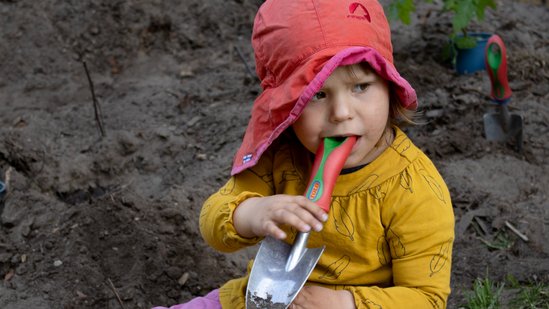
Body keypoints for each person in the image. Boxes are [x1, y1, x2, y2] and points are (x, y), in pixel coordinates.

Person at [153, 0, 454, 308]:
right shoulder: (280, 155)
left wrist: (341, 303)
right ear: (289, 106)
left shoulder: (415, 188)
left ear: (389, 87)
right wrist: (254, 213)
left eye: (360, 87)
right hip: (262, 300)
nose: (341, 113)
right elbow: (213, 221)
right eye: (319, 94)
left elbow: (426, 298)